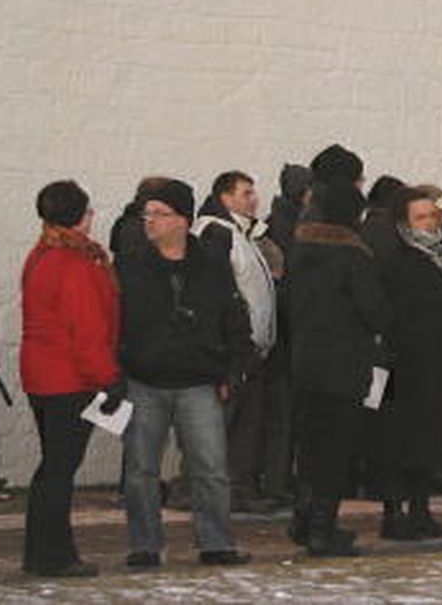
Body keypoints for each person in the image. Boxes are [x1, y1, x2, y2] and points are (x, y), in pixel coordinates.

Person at [117, 178, 253, 568]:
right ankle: (145, 544)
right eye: (148, 213)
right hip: (145, 379)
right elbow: (116, 321)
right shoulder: (131, 263)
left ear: (183, 219)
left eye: (160, 213)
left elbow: (233, 317)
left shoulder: (211, 262)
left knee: (210, 467)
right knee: (140, 470)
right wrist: (121, 366)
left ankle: (216, 542)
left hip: (198, 380)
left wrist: (232, 367)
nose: (151, 221)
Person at [20, 181, 120, 578]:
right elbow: (88, 332)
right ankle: (53, 555)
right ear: (80, 216)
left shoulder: (40, 255)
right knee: (59, 471)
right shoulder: (76, 265)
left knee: (52, 470)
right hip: (69, 381)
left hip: (41, 376)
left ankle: (43, 551)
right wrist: (109, 379)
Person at [288, 172, 388, 556]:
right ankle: (321, 528)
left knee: (310, 446)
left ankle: (303, 518)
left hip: (305, 359)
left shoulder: (301, 249)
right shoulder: (352, 254)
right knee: (335, 448)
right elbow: (375, 310)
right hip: (344, 363)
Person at [374, 187, 442, 540]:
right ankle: (395, 514)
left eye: (433, 216)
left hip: (436, 367)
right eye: (421, 217)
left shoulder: (440, 258)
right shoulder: (398, 262)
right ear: (404, 223)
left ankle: (421, 511)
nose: (430, 223)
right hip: (406, 369)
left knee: (427, 443)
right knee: (400, 443)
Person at [194, 170, 284, 513]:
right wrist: (230, 342)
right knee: (224, 423)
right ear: (225, 197)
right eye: (246, 193)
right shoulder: (216, 233)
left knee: (247, 423)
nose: (254, 199)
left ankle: (238, 487)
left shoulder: (243, 234)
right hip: (232, 349)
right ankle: (211, 489)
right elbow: (218, 292)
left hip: (252, 350)